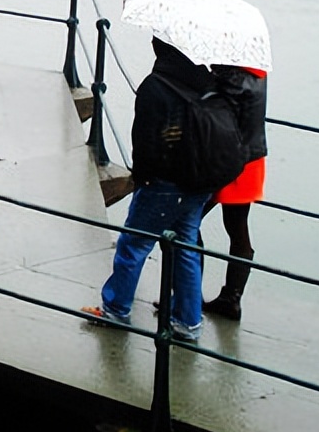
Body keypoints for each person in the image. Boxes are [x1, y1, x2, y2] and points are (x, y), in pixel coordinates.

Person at [91, 39, 226, 342]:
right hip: (199, 184)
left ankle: (115, 308)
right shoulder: (207, 81)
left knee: (133, 245)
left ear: (160, 48)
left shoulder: (155, 86)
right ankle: (188, 322)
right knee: (186, 248)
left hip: (163, 184)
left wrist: (143, 180)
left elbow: (145, 143)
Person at [201, 66, 268, 321]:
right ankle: (231, 299)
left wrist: (210, 79)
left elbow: (213, 111)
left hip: (227, 161)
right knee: (238, 229)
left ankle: (188, 295)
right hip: (252, 159)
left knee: (185, 221)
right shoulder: (259, 73)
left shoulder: (232, 79)